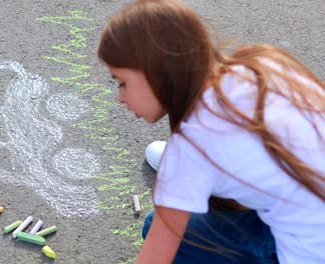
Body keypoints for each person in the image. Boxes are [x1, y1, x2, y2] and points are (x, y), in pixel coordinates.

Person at [97, 0, 325, 263]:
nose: (120, 98)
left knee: (158, 227)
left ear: (154, 73)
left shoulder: (192, 149)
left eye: (122, 83)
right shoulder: (258, 63)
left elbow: (155, 257)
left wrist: (183, 174)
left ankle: (196, 186)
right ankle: (201, 184)